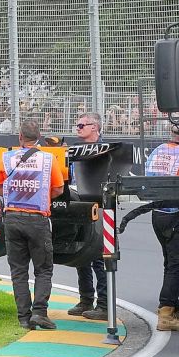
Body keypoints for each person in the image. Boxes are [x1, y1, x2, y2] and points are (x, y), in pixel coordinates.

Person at [0, 120, 65, 330]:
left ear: (20, 137)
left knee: (18, 270)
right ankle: (39, 313)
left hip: (13, 217)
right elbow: (59, 189)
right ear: (39, 137)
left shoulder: (6, 158)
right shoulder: (48, 159)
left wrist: (13, 194)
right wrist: (40, 195)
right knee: (43, 269)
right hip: (37, 219)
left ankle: (24, 317)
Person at [145, 122, 179, 331]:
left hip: (157, 214)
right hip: (177, 214)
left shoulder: (158, 151)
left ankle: (175, 309)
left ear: (172, 133)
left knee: (170, 263)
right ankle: (166, 311)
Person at [68, 111, 109, 320]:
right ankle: (86, 298)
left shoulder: (105, 151)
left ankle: (103, 304)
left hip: (100, 208)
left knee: (100, 257)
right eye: (77, 125)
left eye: (82, 125)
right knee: (80, 253)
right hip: (79, 205)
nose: (78, 128)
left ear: (95, 127)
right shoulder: (75, 151)